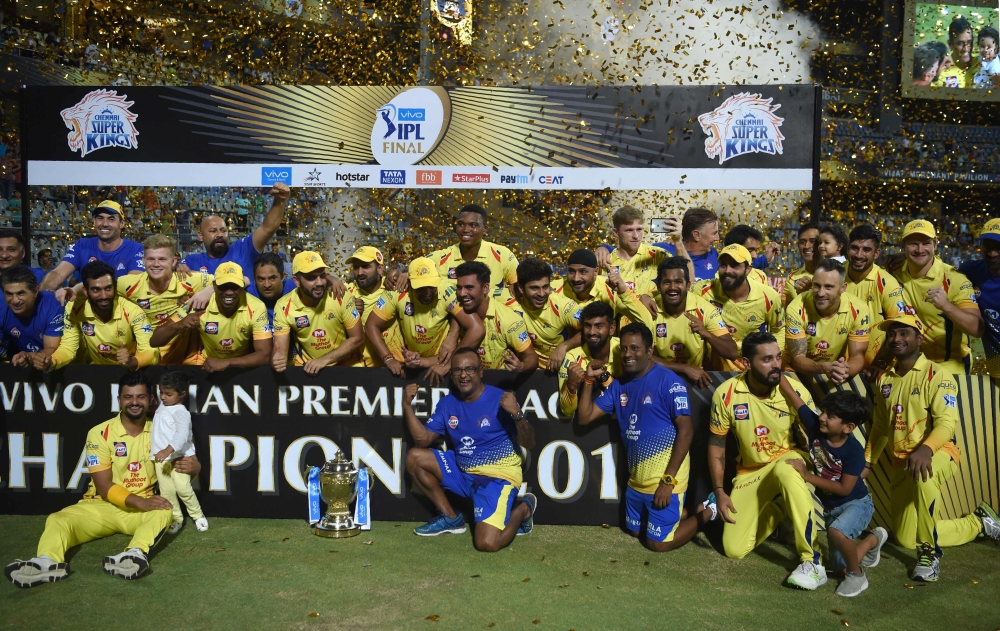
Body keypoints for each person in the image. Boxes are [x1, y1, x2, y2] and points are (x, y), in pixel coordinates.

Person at [3, 372, 202, 587]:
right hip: (101, 505)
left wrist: (195, 468)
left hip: (140, 511)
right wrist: (142, 502)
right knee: (58, 519)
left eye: (141, 397)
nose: (134, 402)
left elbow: (184, 467)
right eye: (128, 397)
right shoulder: (100, 433)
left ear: (152, 400)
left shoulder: (161, 429)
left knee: (164, 511)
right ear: (119, 400)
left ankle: (133, 555)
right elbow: (104, 486)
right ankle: (46, 562)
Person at [867, 315, 1000, 581]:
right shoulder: (885, 380)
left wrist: (925, 450)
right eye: (892, 335)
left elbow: (946, 423)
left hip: (939, 453)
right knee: (905, 538)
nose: (896, 339)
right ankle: (978, 523)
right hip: (901, 462)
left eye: (904, 333)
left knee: (923, 475)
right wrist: (867, 461)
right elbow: (881, 428)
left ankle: (929, 553)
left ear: (919, 339)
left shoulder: (939, 376)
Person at [576, 322, 716, 551]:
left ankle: (711, 511)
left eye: (634, 348)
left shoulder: (668, 381)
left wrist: (668, 482)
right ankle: (698, 508)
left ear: (650, 351)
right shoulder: (619, 385)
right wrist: (589, 380)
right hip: (636, 482)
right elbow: (585, 417)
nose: (627, 354)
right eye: (623, 349)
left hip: (665, 481)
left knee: (657, 544)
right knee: (634, 531)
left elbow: (686, 430)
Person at [708, 332, 825, 589]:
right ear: (747, 363)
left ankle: (812, 560)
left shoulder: (792, 388)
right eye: (767, 359)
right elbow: (716, 444)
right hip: (750, 472)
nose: (776, 365)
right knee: (733, 549)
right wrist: (719, 491)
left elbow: (816, 431)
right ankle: (778, 510)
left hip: (788, 458)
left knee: (786, 470)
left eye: (778, 358)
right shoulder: (726, 393)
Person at [402, 349, 537, 551]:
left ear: (481, 372)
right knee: (415, 457)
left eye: (469, 369)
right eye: (457, 370)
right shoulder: (447, 403)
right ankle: (450, 518)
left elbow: (529, 442)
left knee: (487, 543)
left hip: (497, 478)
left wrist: (517, 414)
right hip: (463, 472)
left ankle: (523, 508)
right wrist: (406, 406)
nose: (463, 375)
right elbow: (423, 440)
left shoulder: (500, 399)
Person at [778, 380, 888, 597]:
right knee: (840, 568)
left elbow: (845, 489)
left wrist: (808, 476)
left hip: (856, 504)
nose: (822, 417)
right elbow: (793, 396)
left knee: (837, 532)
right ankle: (874, 539)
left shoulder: (854, 451)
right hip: (832, 509)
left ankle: (858, 577)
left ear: (848, 427)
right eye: (823, 412)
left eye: (831, 416)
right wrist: (777, 372)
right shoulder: (815, 427)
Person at [367, 257, 484, 385]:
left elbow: (477, 329)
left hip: (441, 362)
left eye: (431, 286)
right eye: (421, 288)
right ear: (409, 283)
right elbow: (371, 325)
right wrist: (388, 359)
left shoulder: (445, 289)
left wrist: (451, 363)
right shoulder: (398, 291)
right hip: (408, 362)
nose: (428, 293)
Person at [623, 257, 738, 388]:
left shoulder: (704, 309)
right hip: (657, 376)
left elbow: (732, 352)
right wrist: (684, 368)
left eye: (678, 281)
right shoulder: (648, 309)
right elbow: (638, 356)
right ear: (659, 286)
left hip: (696, 378)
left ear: (688, 285)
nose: (672, 287)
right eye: (666, 282)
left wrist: (706, 334)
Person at [891, 220, 982, 376]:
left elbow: (977, 329)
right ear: (903, 246)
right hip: (907, 363)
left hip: (949, 365)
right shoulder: (893, 273)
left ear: (935, 245)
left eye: (926, 243)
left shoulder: (954, 279)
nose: (919, 250)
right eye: (913, 244)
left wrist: (947, 306)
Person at [150, 262, 272, 372]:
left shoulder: (256, 307)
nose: (229, 292)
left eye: (234, 287)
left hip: (241, 365)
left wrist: (227, 363)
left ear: (242, 287)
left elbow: (265, 355)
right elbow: (155, 341)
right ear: (214, 286)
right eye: (223, 286)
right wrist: (178, 325)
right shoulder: (198, 304)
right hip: (206, 363)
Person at [41, 261, 158, 371]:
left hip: (131, 374)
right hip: (97, 374)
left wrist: (132, 361)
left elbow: (151, 352)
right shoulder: (75, 308)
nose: (103, 296)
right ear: (85, 291)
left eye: (108, 288)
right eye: (96, 290)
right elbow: (68, 348)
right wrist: (51, 361)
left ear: (115, 288)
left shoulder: (132, 311)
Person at [116, 235, 214, 365]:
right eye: (151, 259)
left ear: (174, 261)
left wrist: (207, 291)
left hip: (184, 357)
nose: (156, 264)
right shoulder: (128, 283)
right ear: (143, 261)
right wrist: (78, 289)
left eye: (162, 259)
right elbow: (96, 286)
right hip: (147, 356)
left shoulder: (189, 279)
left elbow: (236, 279)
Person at [391, 204, 518, 301]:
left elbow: (524, 285)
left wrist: (517, 285)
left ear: (485, 229)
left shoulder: (503, 255)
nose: (466, 230)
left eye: (473, 225)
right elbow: (411, 270)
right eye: (461, 224)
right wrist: (400, 273)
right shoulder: (441, 257)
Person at [692, 244, 785, 371]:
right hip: (716, 359)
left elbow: (778, 329)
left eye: (735, 265)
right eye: (723, 265)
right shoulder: (702, 290)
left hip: (753, 361)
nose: (727, 270)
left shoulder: (768, 297)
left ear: (748, 269)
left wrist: (773, 359)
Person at [271, 251, 364, 374]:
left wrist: (323, 360)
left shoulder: (340, 296)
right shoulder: (284, 305)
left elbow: (358, 338)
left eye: (322, 276)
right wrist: (277, 360)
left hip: (345, 365)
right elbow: (280, 351)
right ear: (296, 281)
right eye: (311, 278)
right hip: (306, 368)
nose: (319, 282)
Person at [784, 258, 870, 385]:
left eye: (828, 287)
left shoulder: (858, 309)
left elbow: (857, 356)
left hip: (834, 372)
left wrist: (844, 371)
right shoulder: (796, 308)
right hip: (795, 373)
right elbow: (798, 359)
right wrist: (824, 368)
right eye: (816, 286)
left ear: (843, 288)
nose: (821, 293)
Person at [180, 184, 290, 277]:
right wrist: (176, 268)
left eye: (223, 230)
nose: (219, 235)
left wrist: (280, 200)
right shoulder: (191, 261)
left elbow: (267, 229)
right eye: (213, 231)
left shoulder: (243, 250)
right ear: (200, 236)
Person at [40, 200, 144, 298]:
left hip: (120, 312)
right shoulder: (82, 245)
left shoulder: (136, 249)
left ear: (122, 224)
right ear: (94, 221)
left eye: (111, 219)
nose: (104, 223)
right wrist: (42, 297)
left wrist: (77, 289)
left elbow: (132, 285)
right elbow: (57, 274)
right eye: (100, 218)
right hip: (83, 312)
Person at [448, 261, 538, 372]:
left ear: (485, 288)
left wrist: (521, 366)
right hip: (464, 381)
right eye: (459, 288)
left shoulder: (508, 321)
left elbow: (531, 356)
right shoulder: (455, 309)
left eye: (469, 288)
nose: (462, 294)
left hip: (498, 383)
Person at [150, 371, 207, 534]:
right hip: (160, 459)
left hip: (179, 457)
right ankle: (176, 519)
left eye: (168, 394)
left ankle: (198, 515)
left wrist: (167, 450)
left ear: (182, 394)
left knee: (183, 489)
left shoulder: (181, 412)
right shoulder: (163, 405)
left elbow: (181, 435)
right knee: (167, 492)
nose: (163, 397)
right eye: (161, 392)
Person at [845, 224, 905, 366]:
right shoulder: (835, 275)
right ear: (847, 248)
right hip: (838, 366)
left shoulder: (887, 283)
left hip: (874, 368)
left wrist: (881, 363)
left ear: (876, 253)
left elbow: (898, 328)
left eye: (866, 250)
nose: (859, 255)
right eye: (855, 248)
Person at [509, 257, 581, 371]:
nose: (542, 294)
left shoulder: (563, 305)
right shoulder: (507, 301)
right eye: (534, 288)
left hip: (558, 370)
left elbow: (590, 330)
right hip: (526, 370)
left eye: (545, 287)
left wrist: (564, 346)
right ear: (521, 288)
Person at [601, 205, 688, 294]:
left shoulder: (659, 255)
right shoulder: (605, 261)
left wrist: (678, 241)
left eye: (639, 229)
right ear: (616, 232)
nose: (636, 236)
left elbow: (687, 278)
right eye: (629, 230)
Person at [558, 302, 622, 416]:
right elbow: (567, 411)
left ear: (612, 329)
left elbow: (629, 400)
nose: (592, 332)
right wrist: (571, 386)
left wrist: (604, 377)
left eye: (599, 326)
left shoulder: (622, 351)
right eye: (588, 326)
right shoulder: (572, 358)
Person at [343, 246, 404, 367]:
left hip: (396, 366)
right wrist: (348, 309)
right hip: (359, 369)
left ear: (380, 269)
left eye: (366, 266)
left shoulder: (394, 286)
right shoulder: (347, 292)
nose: (360, 272)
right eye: (356, 267)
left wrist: (405, 274)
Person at [958, 218, 1000, 377]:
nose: (992, 253)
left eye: (998, 247)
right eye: (988, 246)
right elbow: (939, 271)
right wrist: (905, 260)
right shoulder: (971, 271)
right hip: (992, 363)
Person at [551, 249, 649, 317]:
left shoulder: (610, 288)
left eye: (583, 272)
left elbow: (645, 322)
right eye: (571, 271)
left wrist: (624, 293)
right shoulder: (553, 288)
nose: (576, 278)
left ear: (596, 272)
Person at [0, 264, 63, 366]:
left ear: (35, 291)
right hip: (18, 358)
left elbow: (52, 348)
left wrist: (31, 357)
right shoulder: (1, 307)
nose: (15, 301)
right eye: (9, 294)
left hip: (59, 363)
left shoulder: (53, 304)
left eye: (21, 293)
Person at [245, 251, 296, 327]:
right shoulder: (248, 292)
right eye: (261, 279)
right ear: (255, 279)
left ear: (282, 277)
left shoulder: (295, 290)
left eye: (272, 278)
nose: (267, 285)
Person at [783, 222, 820, 307]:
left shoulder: (836, 273)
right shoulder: (792, 278)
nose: (807, 246)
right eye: (802, 242)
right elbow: (786, 313)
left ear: (822, 244)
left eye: (813, 241)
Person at [935, 17, 978, 88]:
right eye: (960, 43)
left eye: (969, 42)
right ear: (950, 44)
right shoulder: (941, 71)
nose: (966, 48)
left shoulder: (982, 64)